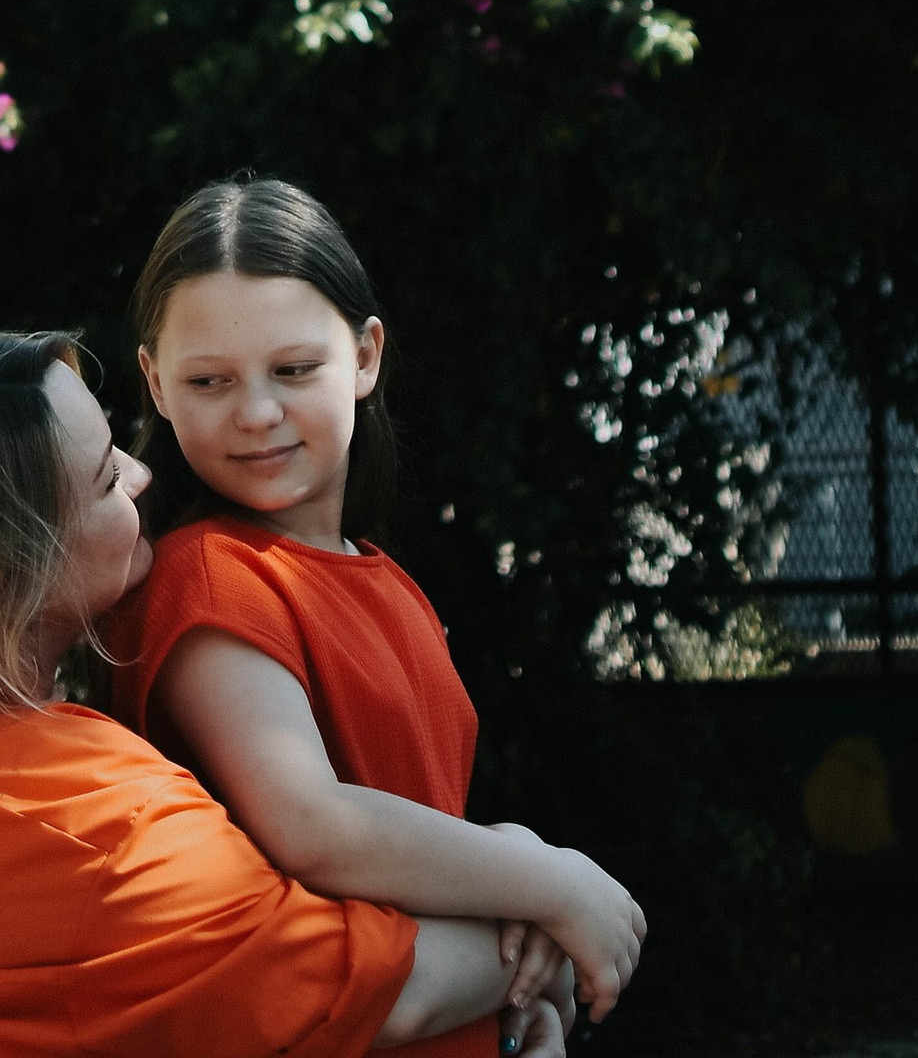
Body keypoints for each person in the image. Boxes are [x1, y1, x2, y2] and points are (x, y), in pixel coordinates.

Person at [0, 327, 561, 1058]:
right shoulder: (77, 819)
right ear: (13, 571)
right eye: (105, 478)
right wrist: (550, 898)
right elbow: (372, 992)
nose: (141, 478)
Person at [105, 178, 647, 1045]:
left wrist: (518, 990)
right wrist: (552, 881)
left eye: (294, 369)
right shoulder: (203, 574)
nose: (256, 413)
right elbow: (313, 826)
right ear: (155, 385)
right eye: (209, 380)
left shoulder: (387, 579)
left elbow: (413, 828)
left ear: (365, 356)